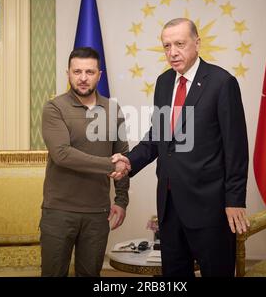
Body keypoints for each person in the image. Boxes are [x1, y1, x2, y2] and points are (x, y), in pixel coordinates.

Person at [111, 18, 249, 277]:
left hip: (210, 207)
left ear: (197, 43)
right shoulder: (164, 82)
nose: (172, 52)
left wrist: (234, 200)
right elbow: (157, 137)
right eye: (166, 46)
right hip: (169, 203)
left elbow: (236, 148)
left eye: (179, 44)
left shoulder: (222, 82)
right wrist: (130, 161)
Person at [41, 47, 130, 277]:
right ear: (67, 73)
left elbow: (122, 155)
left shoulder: (112, 108)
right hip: (59, 212)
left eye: (89, 72)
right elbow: (62, 154)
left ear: (99, 75)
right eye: (77, 71)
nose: (82, 78)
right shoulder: (54, 108)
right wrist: (111, 165)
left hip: (98, 213)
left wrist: (121, 200)